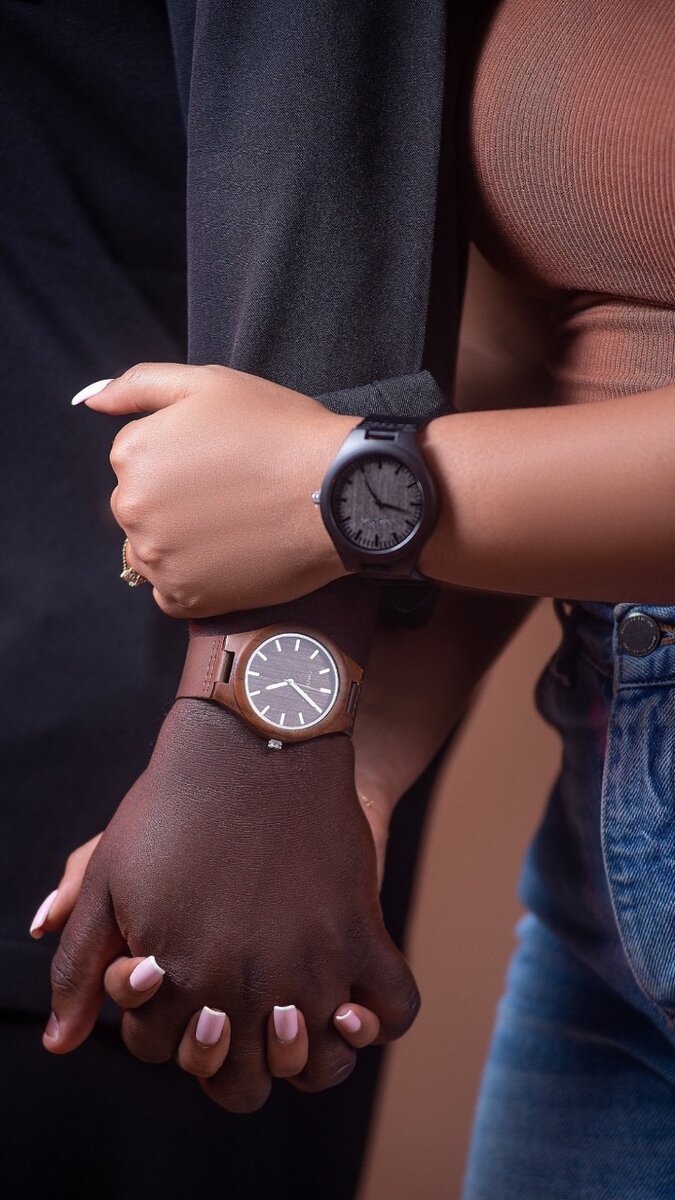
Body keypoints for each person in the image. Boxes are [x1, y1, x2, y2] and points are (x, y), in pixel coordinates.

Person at [38, 0, 675, 1196]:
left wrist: (343, 489)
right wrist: (323, 763)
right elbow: (535, 349)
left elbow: (380, 470)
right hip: (604, 860)